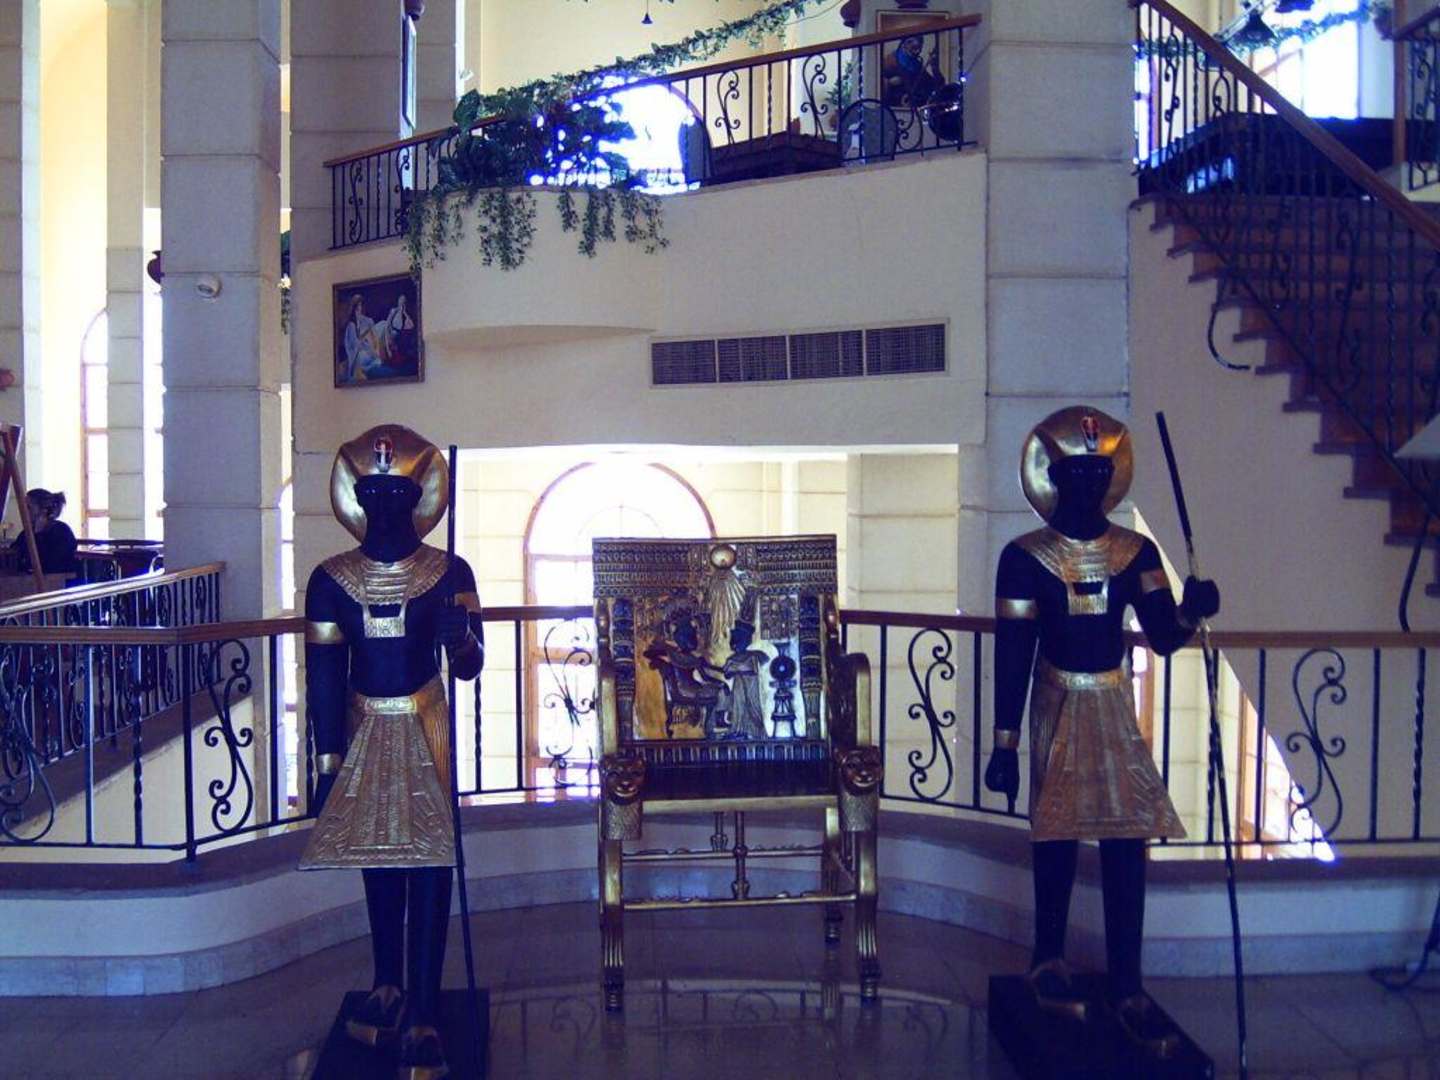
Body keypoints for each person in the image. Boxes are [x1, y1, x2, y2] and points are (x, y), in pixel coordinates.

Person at [983, 406, 1219, 1055]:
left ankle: (1128, 984)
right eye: (1077, 473)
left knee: (1125, 837)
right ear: (1054, 477)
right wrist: (1004, 744)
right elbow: (1013, 652)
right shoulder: (1024, 559)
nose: (1089, 483)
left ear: (1111, 480)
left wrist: (1191, 612)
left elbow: (1164, 636)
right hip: (1057, 700)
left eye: (1099, 473)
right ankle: (1047, 958)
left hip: (1112, 704)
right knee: (1056, 831)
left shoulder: (1134, 552)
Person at [299, 424, 483, 1080]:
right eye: (371, 492)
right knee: (378, 854)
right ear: (355, 497)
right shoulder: (330, 580)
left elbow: (470, 666)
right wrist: (326, 763)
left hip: (424, 720)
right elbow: (324, 677)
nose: (382, 503)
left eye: (395, 492)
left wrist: (460, 638)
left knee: (430, 859)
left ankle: (425, 1009)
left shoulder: (449, 572)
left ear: (418, 497)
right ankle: (387, 983)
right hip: (363, 723)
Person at [11, 489, 78, 575]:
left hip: (58, 579)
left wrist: (38, 534)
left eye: (28, 507)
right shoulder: (27, 533)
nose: (23, 511)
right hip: (29, 579)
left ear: (43, 510)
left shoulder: (62, 531)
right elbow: (16, 552)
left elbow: (51, 563)